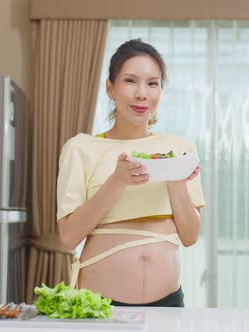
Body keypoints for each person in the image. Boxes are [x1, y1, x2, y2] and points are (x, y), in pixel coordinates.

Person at [56, 39, 205, 307]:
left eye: (152, 83)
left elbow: (190, 236)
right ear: (110, 88)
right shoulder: (81, 148)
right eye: (130, 81)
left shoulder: (179, 149)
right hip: (99, 305)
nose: (141, 94)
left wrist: (176, 180)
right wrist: (117, 181)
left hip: (168, 305)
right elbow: (68, 237)